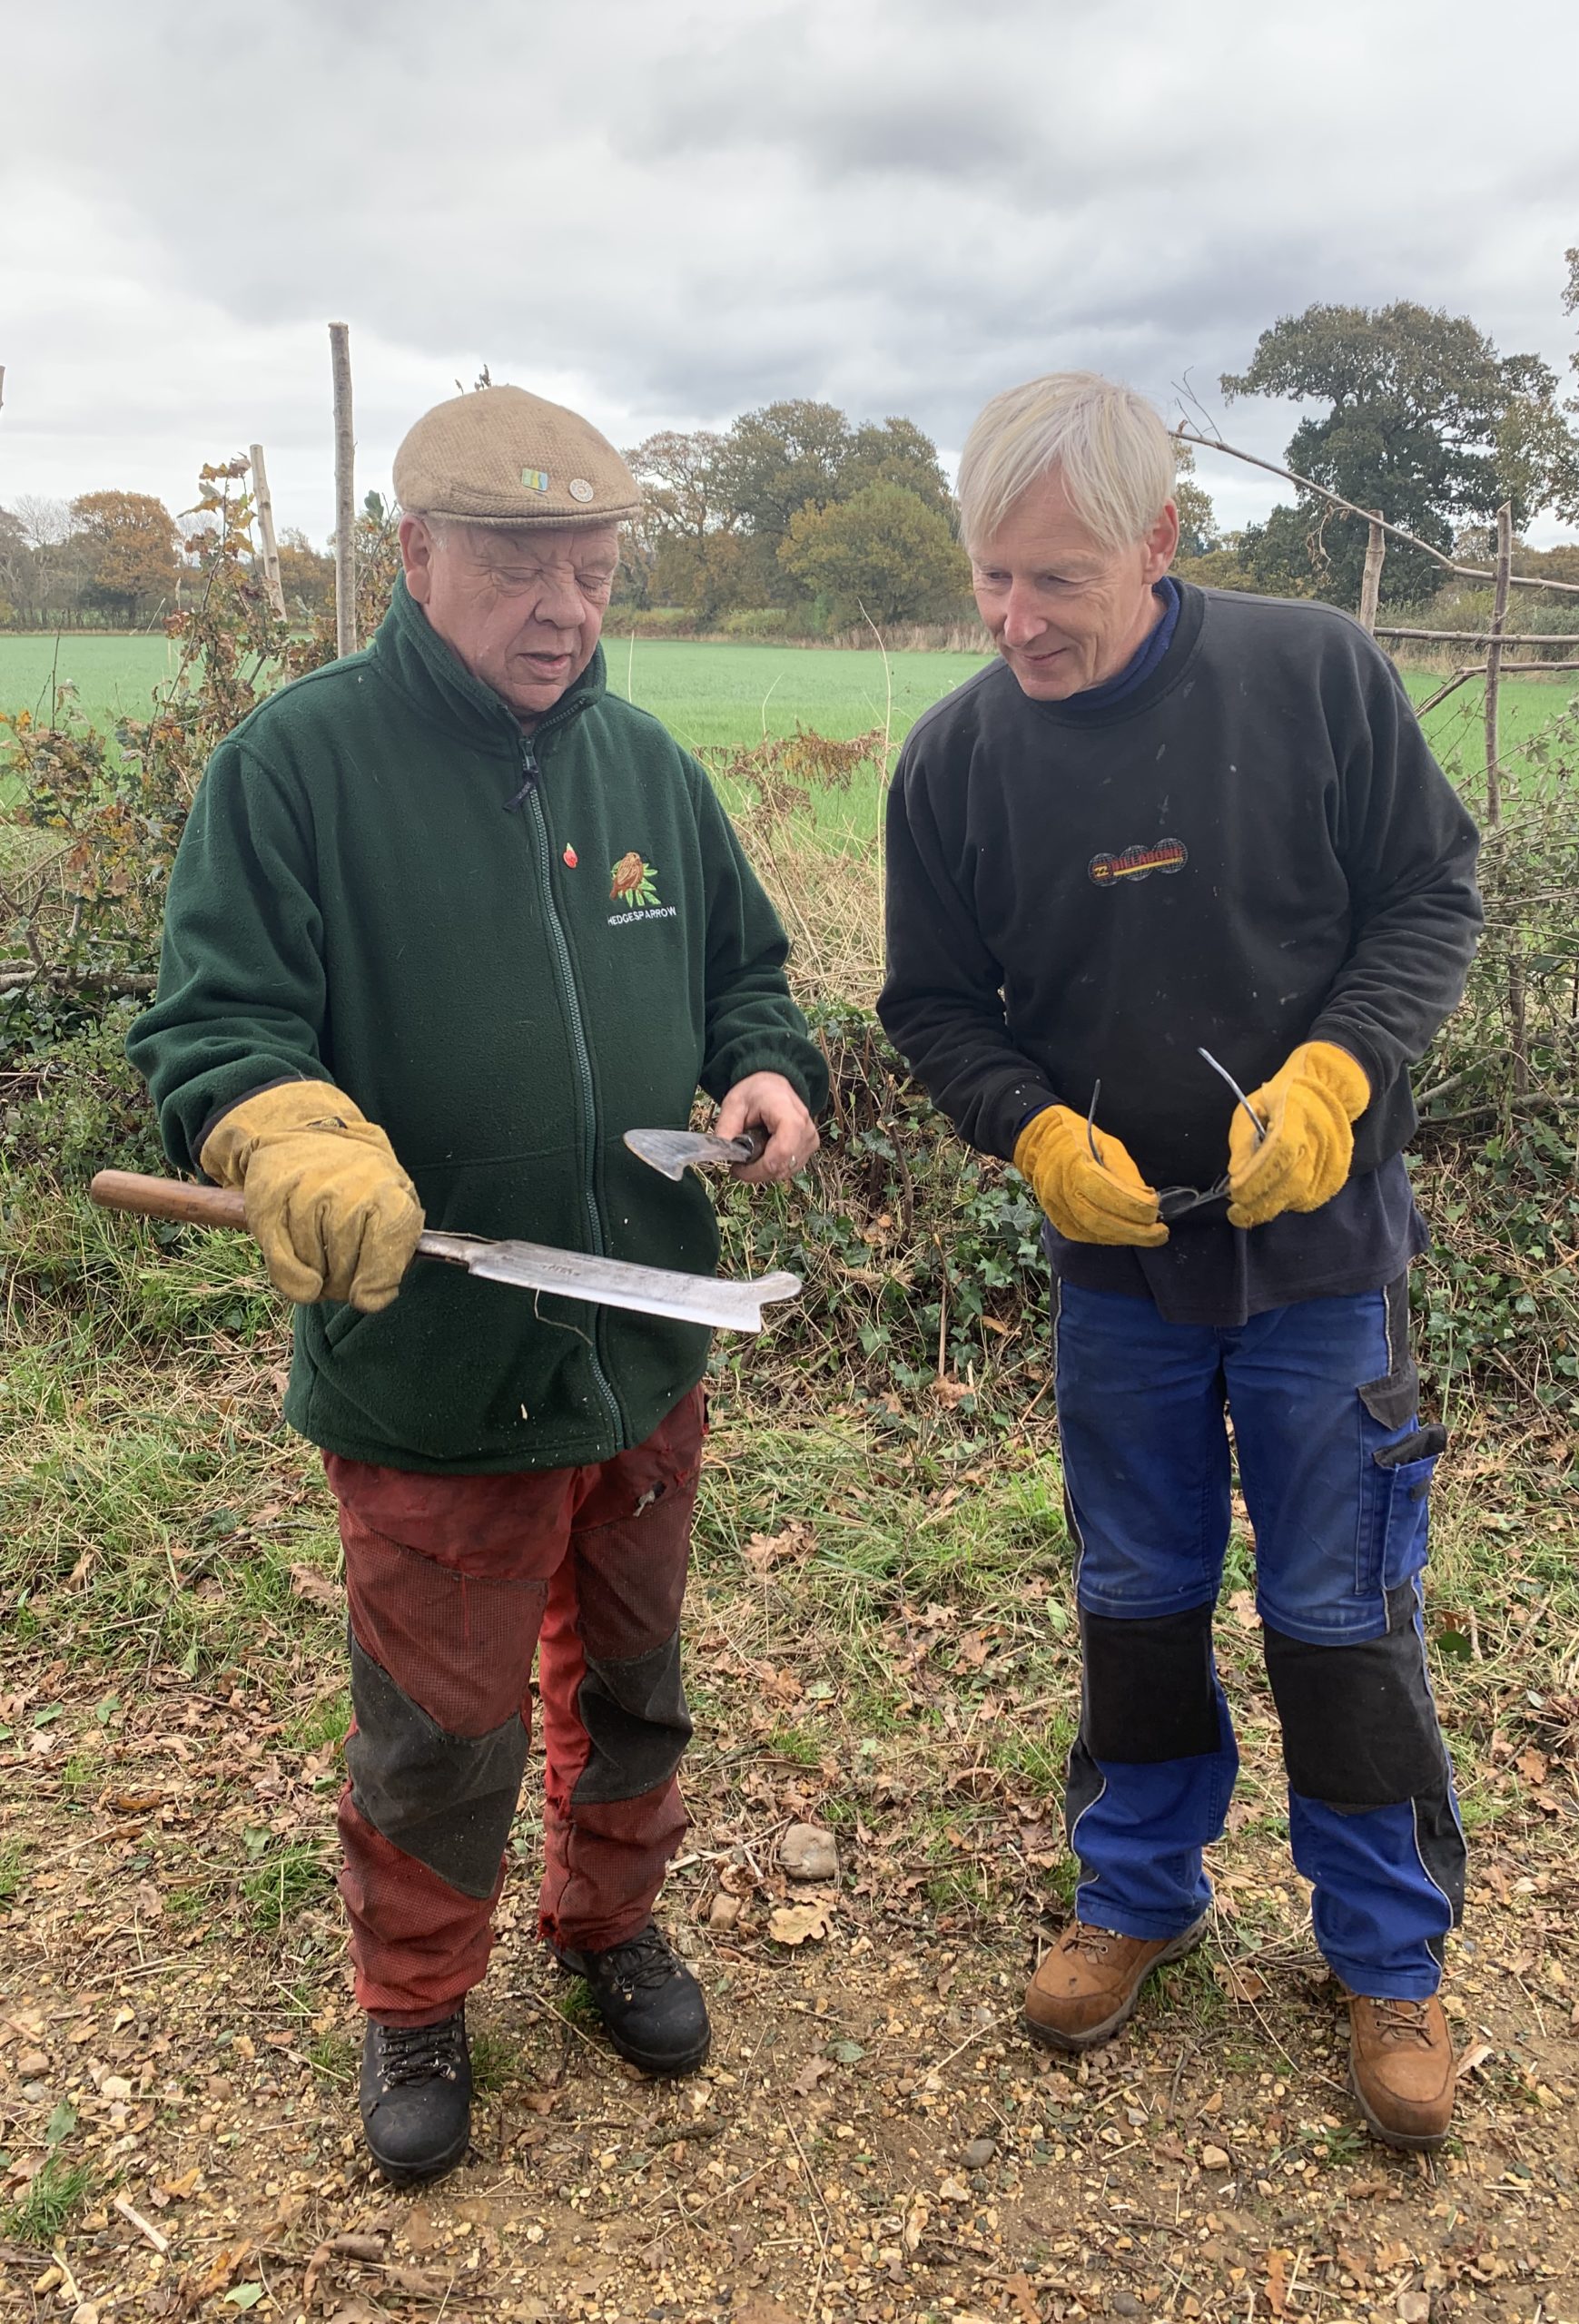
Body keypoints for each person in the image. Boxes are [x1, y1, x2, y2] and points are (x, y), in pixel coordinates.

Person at [128, 383, 827, 2183]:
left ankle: (609, 1925)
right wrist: (288, 1128)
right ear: (416, 550)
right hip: (435, 1357)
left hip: (647, 1339)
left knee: (639, 1679)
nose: (565, 611)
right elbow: (215, 1026)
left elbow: (746, 974)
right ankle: (416, 1997)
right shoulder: (298, 767)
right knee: (438, 1725)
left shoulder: (644, 767)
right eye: (523, 569)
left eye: (593, 572)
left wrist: (766, 1073)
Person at [878, 371, 1483, 2152]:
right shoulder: (959, 759)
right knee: (1136, 1593)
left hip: (1322, 1262)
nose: (1016, 619)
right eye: (991, 577)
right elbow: (933, 1003)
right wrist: (1029, 1132)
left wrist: (1341, 1070)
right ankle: (1137, 1892)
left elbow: (1429, 897)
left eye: (1056, 578)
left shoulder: (1314, 676)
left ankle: (1387, 1955)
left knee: (1340, 1608)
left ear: (1158, 540)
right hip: (1118, 1273)